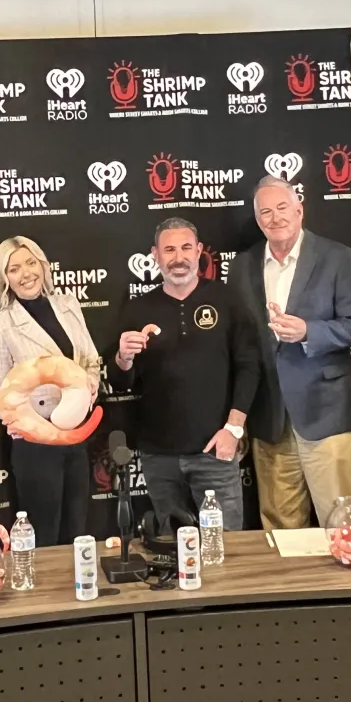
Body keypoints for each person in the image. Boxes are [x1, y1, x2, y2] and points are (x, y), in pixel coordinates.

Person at [227, 175, 351, 530]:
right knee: (279, 528)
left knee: (343, 525)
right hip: (269, 416)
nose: (274, 218)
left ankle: (347, 589)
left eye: (282, 208)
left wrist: (309, 331)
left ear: (299, 210)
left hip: (325, 412)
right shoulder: (242, 266)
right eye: (265, 212)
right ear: (258, 219)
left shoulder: (338, 257)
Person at [112, 218, 259, 533]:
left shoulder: (227, 299)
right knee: (171, 550)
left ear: (199, 251)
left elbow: (249, 365)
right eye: (169, 249)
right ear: (155, 255)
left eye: (186, 247)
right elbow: (121, 382)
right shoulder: (137, 309)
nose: (178, 257)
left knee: (227, 546)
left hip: (214, 450)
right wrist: (123, 357)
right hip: (158, 456)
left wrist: (233, 430)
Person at [0, 236, 101, 545]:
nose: (26, 274)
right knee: (45, 534)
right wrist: (27, 424)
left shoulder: (68, 304)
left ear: (43, 266)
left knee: (77, 528)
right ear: (4, 278)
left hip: (76, 435)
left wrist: (90, 386)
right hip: (35, 445)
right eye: (14, 268)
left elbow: (90, 359)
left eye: (31, 263)